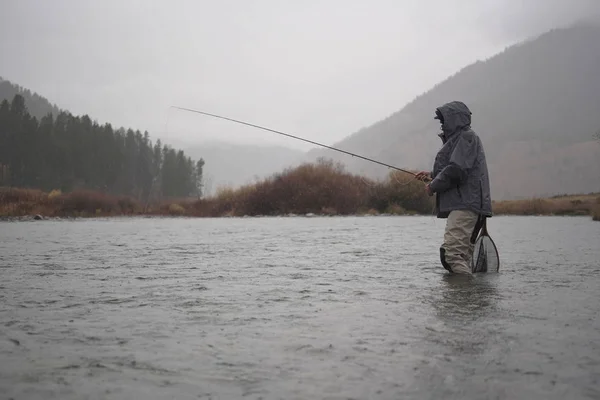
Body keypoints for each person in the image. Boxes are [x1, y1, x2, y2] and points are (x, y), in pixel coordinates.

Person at [415, 101, 492, 275]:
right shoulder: (461, 139)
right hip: (469, 204)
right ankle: (468, 298)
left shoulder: (466, 137)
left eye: (444, 120)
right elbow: (455, 168)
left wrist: (433, 186)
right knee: (462, 257)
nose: (442, 124)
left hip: (466, 206)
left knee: (451, 256)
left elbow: (457, 170)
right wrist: (431, 175)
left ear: (454, 119)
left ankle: (461, 297)